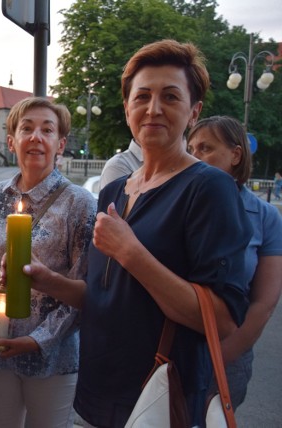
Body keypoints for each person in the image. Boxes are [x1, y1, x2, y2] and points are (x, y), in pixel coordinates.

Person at [20, 40, 252, 427]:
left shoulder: (209, 189)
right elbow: (109, 298)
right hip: (102, 387)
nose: (153, 108)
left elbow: (222, 319)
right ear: (127, 107)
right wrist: (52, 283)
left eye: (170, 97)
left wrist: (132, 253)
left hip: (159, 395)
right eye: (141, 96)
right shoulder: (115, 190)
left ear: (193, 112)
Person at [0, 97, 96, 427]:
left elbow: (85, 290)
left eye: (47, 130)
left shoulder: (80, 204)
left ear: (60, 144)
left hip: (53, 358)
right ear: (12, 141)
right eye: (27, 128)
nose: (36, 137)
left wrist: (35, 341)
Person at [188, 115, 282, 408]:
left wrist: (222, 354)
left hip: (228, 356)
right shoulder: (177, 202)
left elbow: (264, 303)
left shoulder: (265, 217)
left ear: (236, 155)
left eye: (205, 148)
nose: (194, 157)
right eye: (190, 149)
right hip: (168, 350)